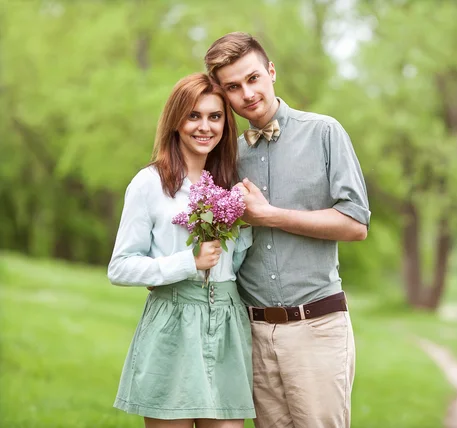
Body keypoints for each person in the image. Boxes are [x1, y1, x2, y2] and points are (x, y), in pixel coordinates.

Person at [204, 32, 370, 428]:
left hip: (317, 325)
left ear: (271, 72)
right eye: (233, 87)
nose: (247, 93)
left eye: (253, 78)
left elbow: (356, 224)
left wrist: (270, 215)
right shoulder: (225, 155)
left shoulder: (324, 133)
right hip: (253, 332)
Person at [107, 73, 255, 428]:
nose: (204, 127)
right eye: (193, 116)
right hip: (173, 323)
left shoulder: (231, 186)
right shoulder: (149, 184)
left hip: (227, 322)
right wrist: (187, 263)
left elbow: (236, 264)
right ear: (176, 121)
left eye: (214, 117)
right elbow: (121, 267)